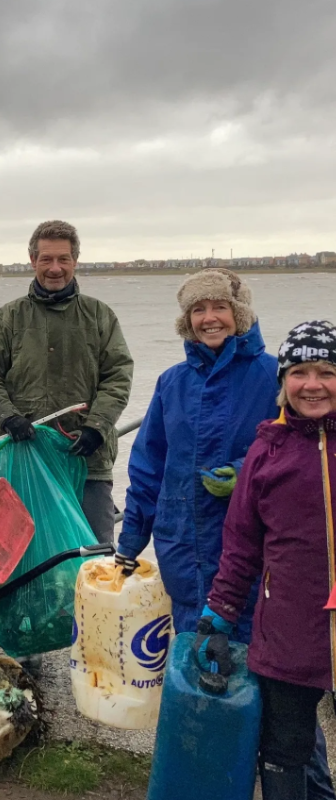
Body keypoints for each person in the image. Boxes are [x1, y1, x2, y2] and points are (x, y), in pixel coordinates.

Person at [117, 278, 333, 798]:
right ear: (186, 319)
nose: (210, 317)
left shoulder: (270, 375)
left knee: (282, 689)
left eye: (220, 307)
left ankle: (311, 785)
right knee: (204, 679)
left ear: (240, 313)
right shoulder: (171, 382)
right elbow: (148, 463)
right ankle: (206, 782)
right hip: (183, 553)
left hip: (260, 565)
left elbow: (296, 444)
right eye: (199, 309)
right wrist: (131, 537)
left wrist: (241, 472)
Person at [197, 320, 336, 800]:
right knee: (283, 750)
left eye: (326, 371)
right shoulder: (265, 453)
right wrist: (217, 618)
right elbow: (241, 546)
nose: (312, 385)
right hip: (288, 630)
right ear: (283, 382)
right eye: (299, 372)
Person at [0, 220, 133, 543]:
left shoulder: (100, 316)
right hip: (23, 459)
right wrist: (7, 416)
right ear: (32, 261)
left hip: (88, 461)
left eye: (63, 259)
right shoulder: (9, 317)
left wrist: (97, 427)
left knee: (93, 558)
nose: (55, 268)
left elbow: (118, 375)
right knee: (18, 556)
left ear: (75, 261)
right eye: (46, 259)